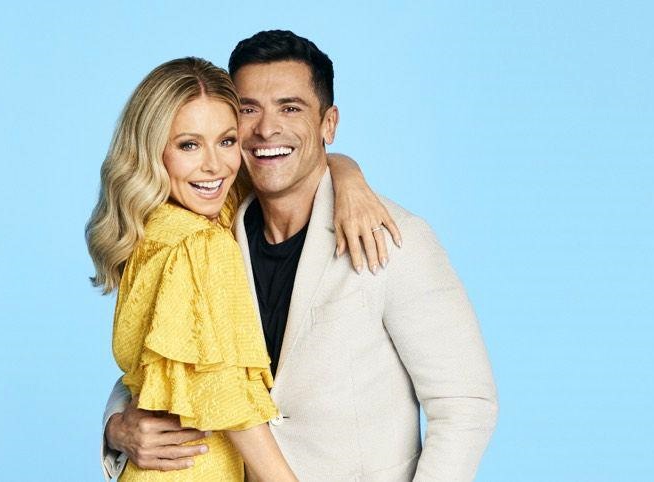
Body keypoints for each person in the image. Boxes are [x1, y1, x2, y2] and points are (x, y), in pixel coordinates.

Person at [101, 31, 499, 481]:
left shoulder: (394, 237)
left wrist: (345, 171)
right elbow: (178, 360)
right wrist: (117, 426)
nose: (267, 129)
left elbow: (465, 405)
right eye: (249, 110)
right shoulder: (211, 229)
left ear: (329, 124)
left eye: (290, 108)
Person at [87, 57, 399, 481]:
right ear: (152, 151)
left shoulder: (162, 224)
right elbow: (229, 399)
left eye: (227, 141)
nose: (215, 166)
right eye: (188, 145)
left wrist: (347, 175)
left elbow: (292, 167)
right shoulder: (200, 243)